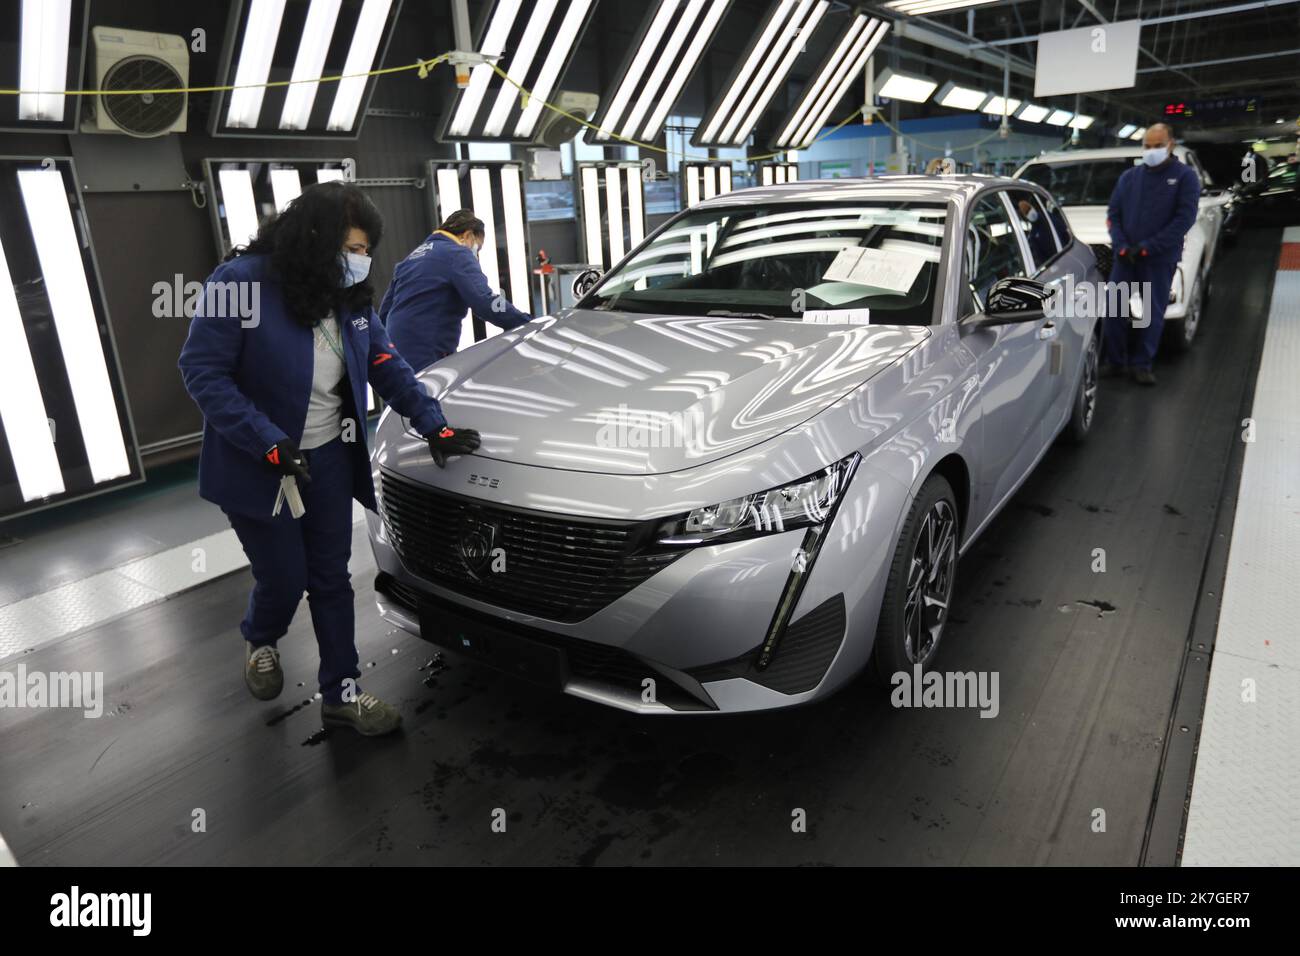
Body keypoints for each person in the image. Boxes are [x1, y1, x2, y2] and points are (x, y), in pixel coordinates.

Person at [178, 182, 482, 737]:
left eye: (367, 251)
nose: (359, 261)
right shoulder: (239, 283)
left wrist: (433, 423)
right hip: (259, 461)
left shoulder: (349, 298)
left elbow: (386, 361)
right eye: (351, 247)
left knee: (331, 578)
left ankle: (342, 692)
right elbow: (203, 371)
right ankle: (261, 637)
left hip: (328, 460)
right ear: (311, 239)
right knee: (284, 577)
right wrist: (267, 440)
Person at [1102, 123, 1200, 385]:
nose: (1152, 150)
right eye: (1147, 146)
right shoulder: (1129, 178)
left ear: (1170, 145)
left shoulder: (1185, 177)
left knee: (1150, 313)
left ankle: (1142, 365)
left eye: (1157, 146)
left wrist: (1147, 247)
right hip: (1125, 257)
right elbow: (1113, 215)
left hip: (1157, 259)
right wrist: (1122, 245)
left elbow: (1184, 220)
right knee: (1113, 309)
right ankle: (1115, 361)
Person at [379, 209, 532, 372]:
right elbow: (485, 301)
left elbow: (384, 312)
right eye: (477, 248)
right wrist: (526, 323)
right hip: (426, 350)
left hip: (394, 351)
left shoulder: (411, 259)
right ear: (467, 235)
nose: (476, 254)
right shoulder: (456, 253)